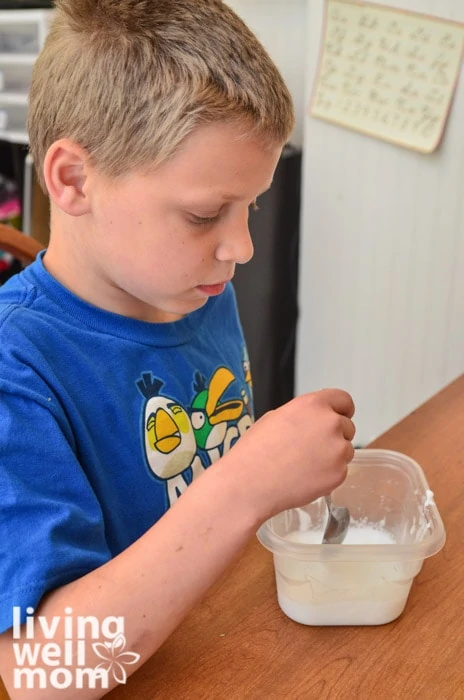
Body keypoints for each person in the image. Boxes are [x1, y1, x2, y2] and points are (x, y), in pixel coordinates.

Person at [0, 1, 356, 697]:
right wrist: (246, 484)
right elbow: (42, 673)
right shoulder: (18, 372)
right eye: (203, 215)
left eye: (250, 206)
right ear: (72, 180)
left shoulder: (198, 289)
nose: (243, 248)